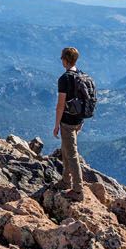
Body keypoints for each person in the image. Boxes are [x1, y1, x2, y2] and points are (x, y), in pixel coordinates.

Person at [53, 46, 88, 200]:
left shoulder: (65, 79)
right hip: (79, 120)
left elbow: (61, 105)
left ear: (65, 60)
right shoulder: (82, 76)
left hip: (67, 121)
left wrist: (56, 125)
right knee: (66, 149)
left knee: (72, 154)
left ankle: (78, 190)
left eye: (62, 58)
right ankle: (66, 180)